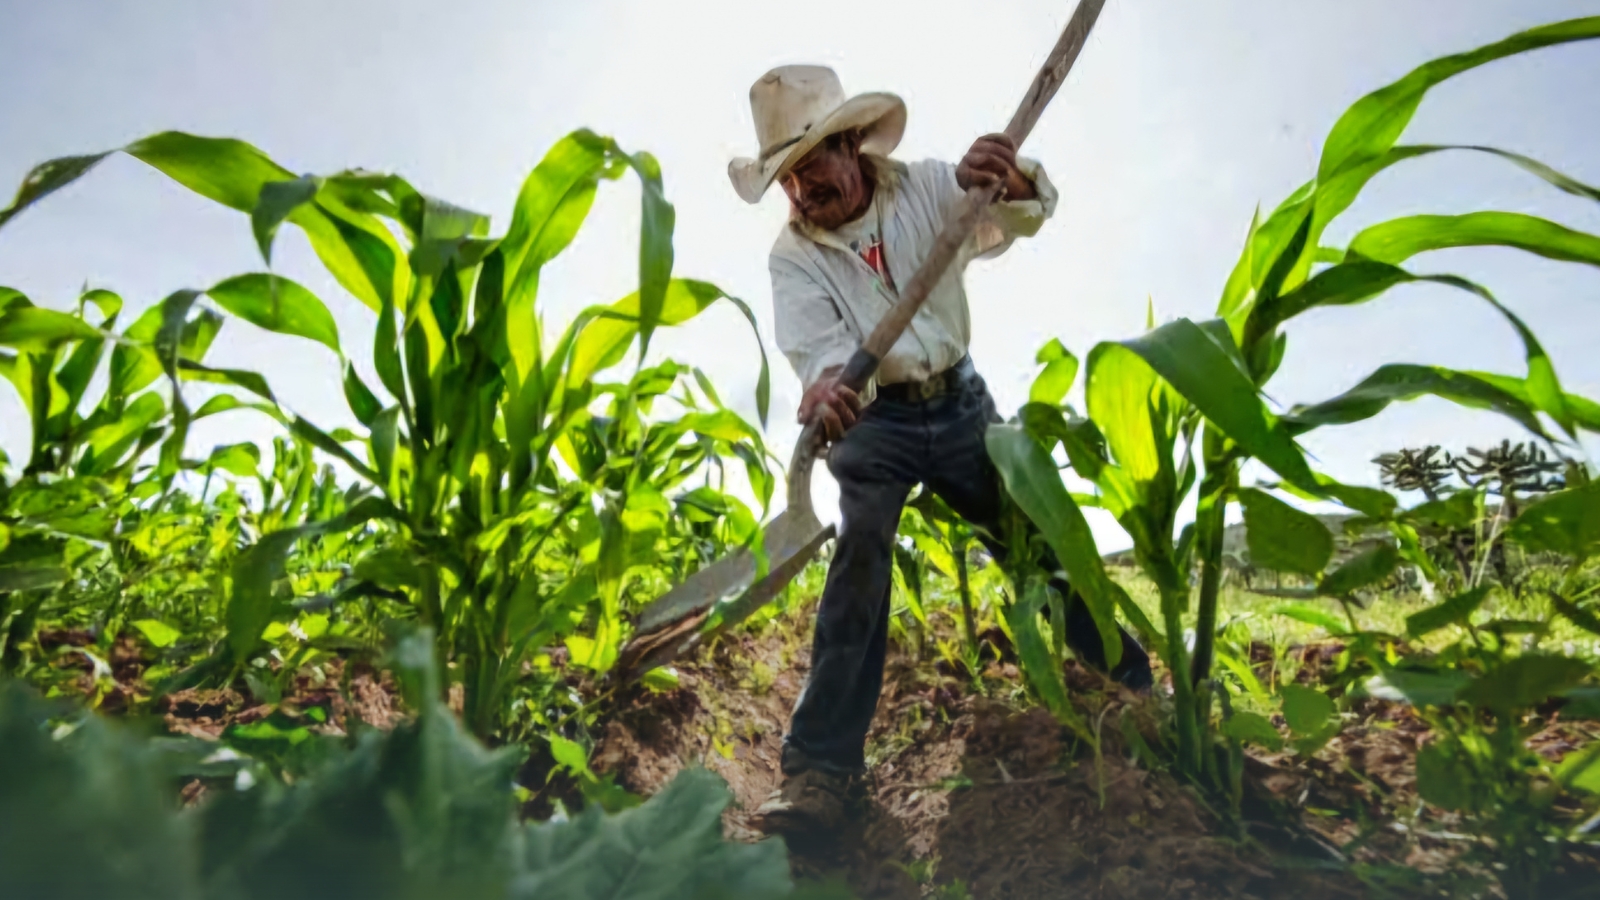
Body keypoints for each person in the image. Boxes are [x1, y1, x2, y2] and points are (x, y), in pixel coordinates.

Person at [728, 65, 1153, 833]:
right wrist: (826, 389)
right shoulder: (792, 256)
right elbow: (820, 352)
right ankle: (821, 770)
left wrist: (1005, 177)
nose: (799, 192)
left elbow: (1018, 216)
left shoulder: (926, 188)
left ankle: (1133, 686)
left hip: (957, 402)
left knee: (1032, 543)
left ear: (852, 143)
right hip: (875, 422)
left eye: (810, 166)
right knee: (859, 552)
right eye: (785, 178)